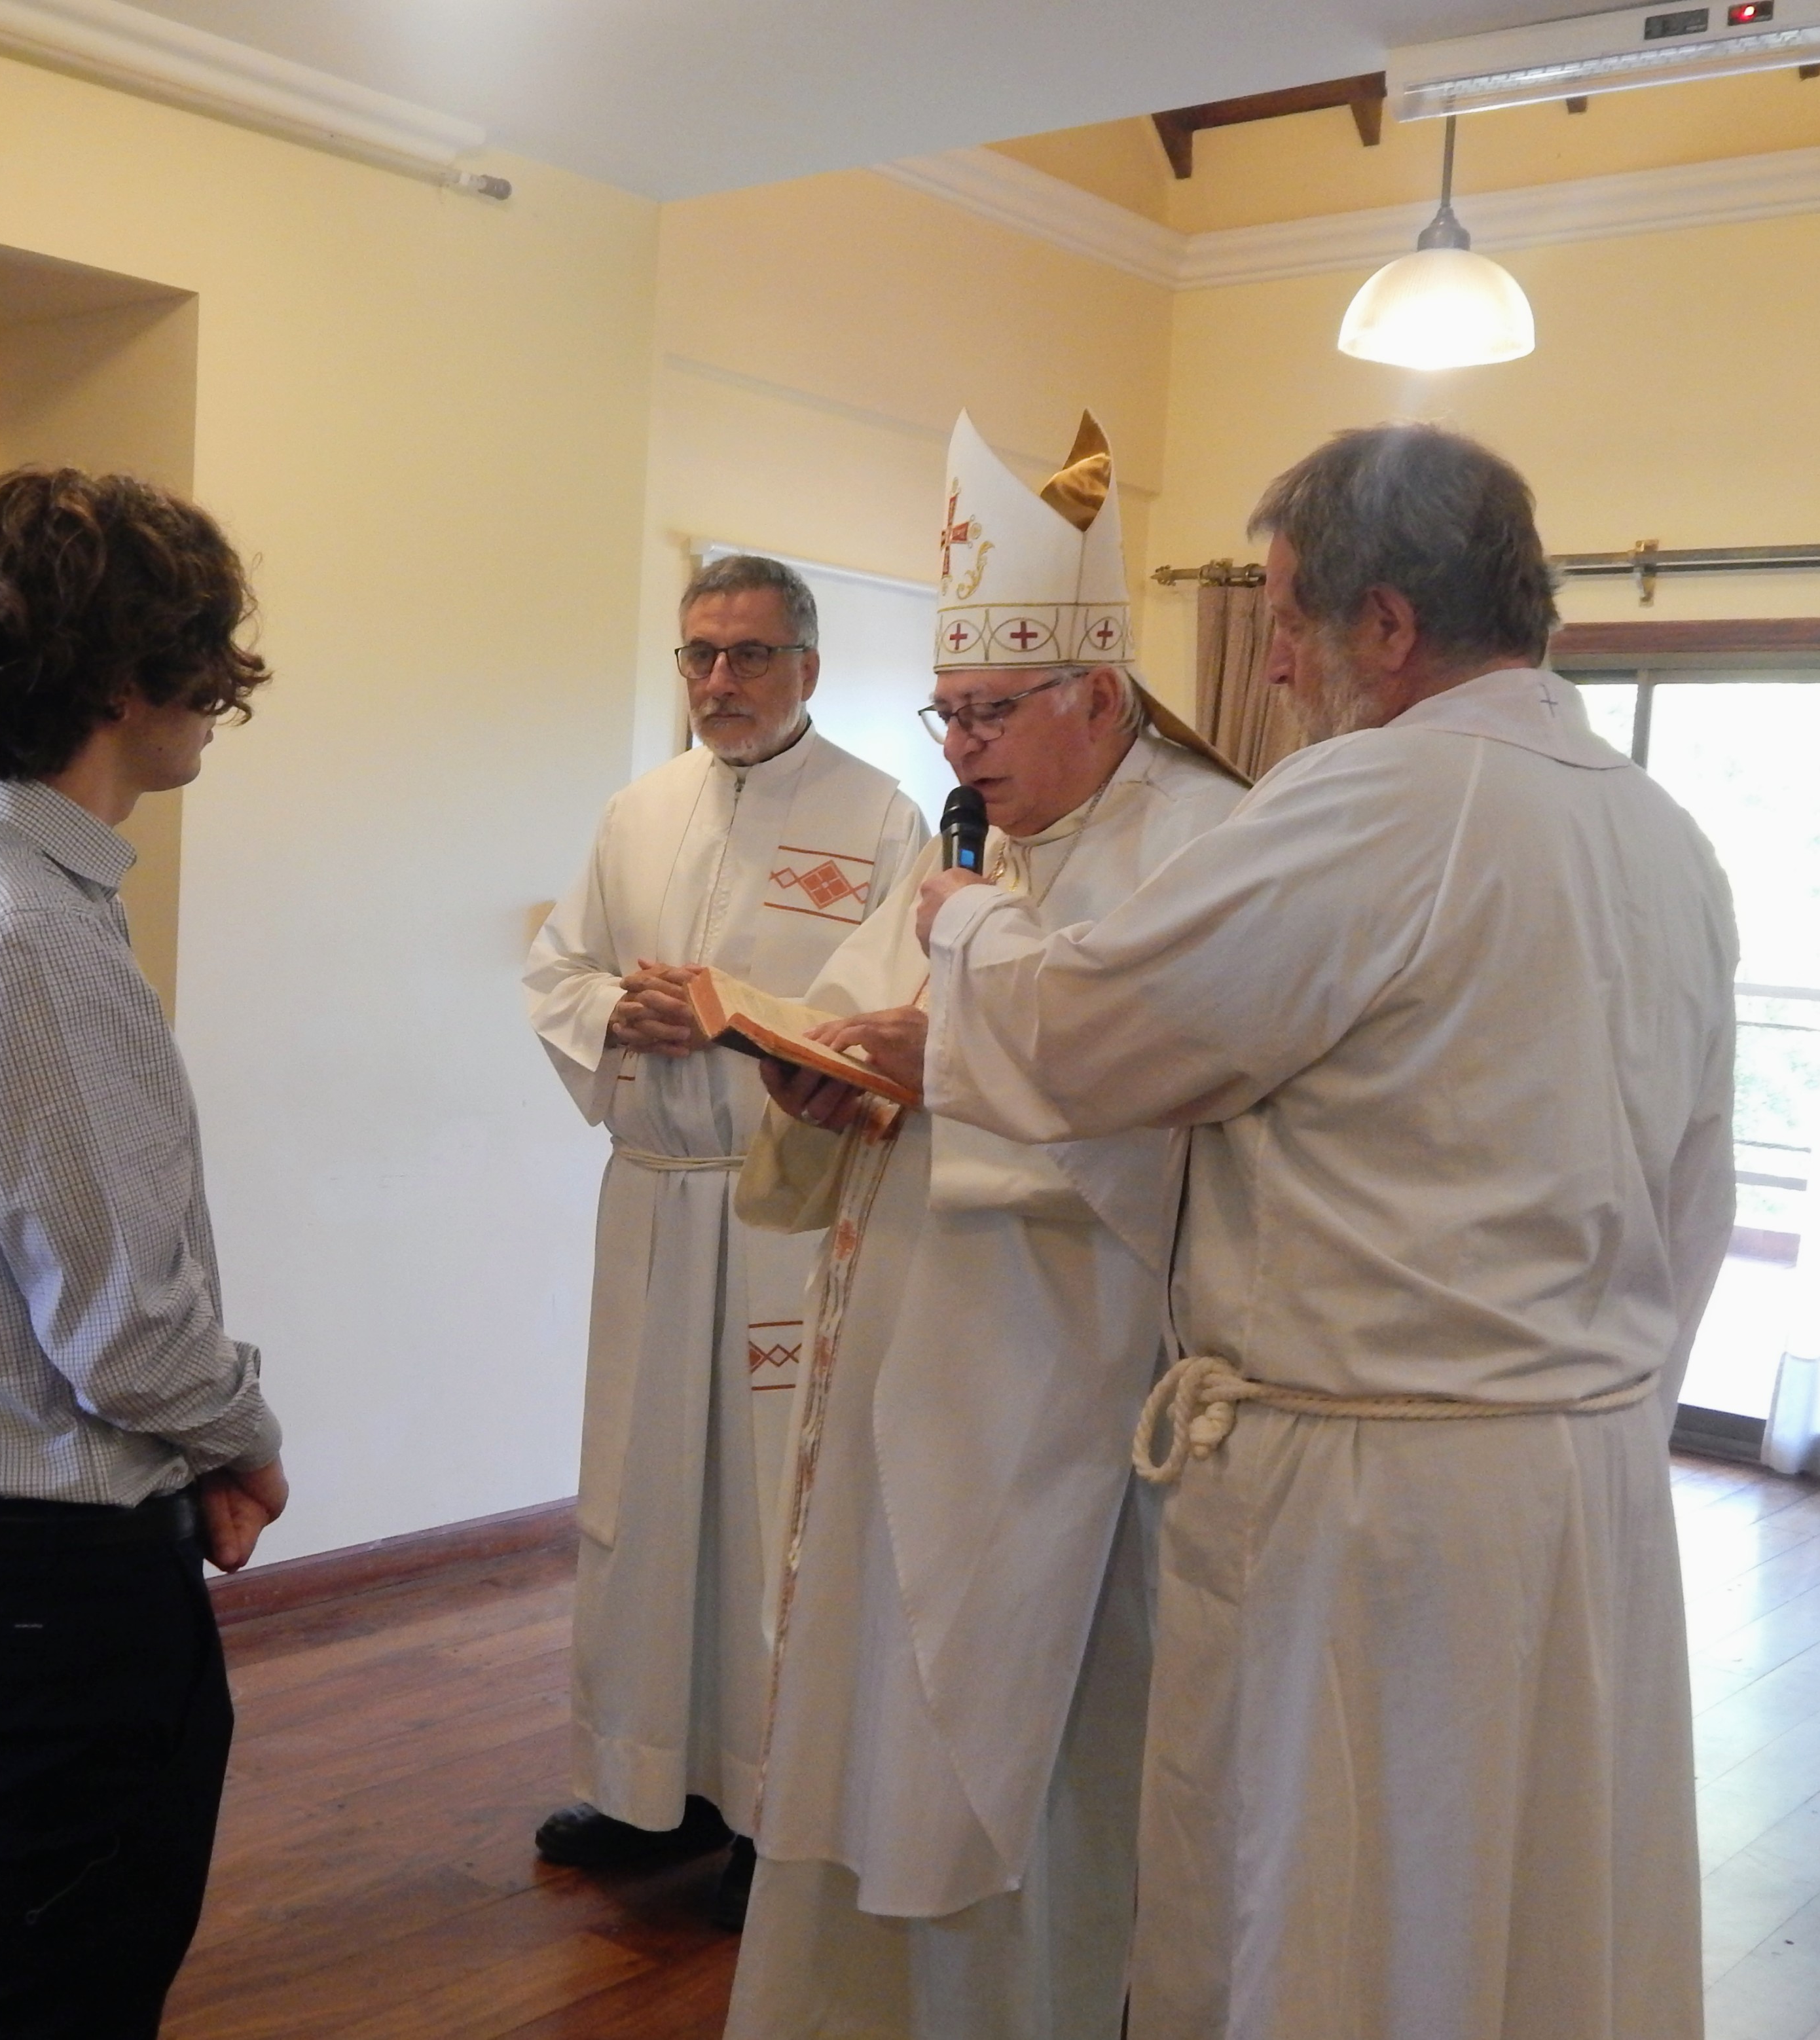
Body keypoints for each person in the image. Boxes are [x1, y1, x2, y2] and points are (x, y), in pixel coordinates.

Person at [909, 423, 1736, 2040]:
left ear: (1388, 624)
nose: (1270, 661)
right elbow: (1691, 1195)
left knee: (1344, 1900)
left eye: (1285, 618)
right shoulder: (1661, 832)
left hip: (1377, 1500)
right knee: (1526, 1899)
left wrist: (972, 922)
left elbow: (1095, 1030)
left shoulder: (1378, 798)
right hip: (1581, 1478)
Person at [722, 413, 1246, 2038]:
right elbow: (867, 1007)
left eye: (989, 711)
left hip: (1062, 1375)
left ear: (1097, 692)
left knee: (1030, 1725)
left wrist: (937, 1072)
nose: (958, 746)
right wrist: (824, 1087)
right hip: (911, 1347)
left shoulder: (1202, 846)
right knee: (879, 1694)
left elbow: (1178, 1125)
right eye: (942, 711)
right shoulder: (984, 840)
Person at [0, 467, 286, 2040]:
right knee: (49, 1995)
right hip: (45, 1585)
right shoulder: (22, 925)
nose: (217, 690)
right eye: (198, 652)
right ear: (122, 674)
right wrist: (240, 1433)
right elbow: (125, 1332)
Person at [523, 553, 928, 1924]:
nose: (719, 680)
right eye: (699, 653)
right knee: (640, 1498)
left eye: (749, 654)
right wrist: (613, 1014)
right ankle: (645, 1783)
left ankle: (769, 1804)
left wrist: (738, 1017)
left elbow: (892, 1021)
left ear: (806, 667)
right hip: (654, 1197)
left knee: (771, 1515)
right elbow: (560, 970)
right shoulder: (638, 810)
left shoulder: (880, 820)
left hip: (785, 1211)